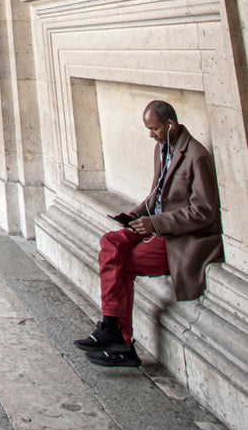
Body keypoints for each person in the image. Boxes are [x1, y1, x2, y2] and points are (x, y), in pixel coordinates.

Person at [75, 99, 223, 368]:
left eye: (154, 129)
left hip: (180, 240)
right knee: (110, 241)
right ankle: (111, 328)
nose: (151, 135)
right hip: (155, 226)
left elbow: (204, 212)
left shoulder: (197, 156)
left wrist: (156, 224)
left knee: (122, 264)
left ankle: (121, 340)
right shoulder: (162, 149)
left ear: (170, 124)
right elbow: (155, 194)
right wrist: (134, 214)